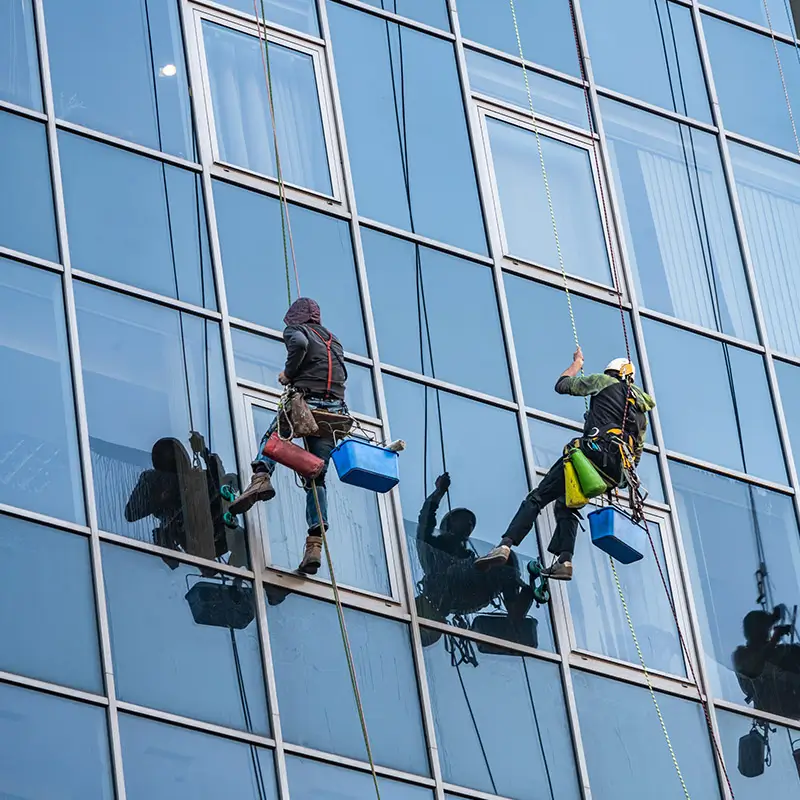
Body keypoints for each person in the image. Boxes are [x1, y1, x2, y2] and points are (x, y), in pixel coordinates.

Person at [475, 347, 655, 581]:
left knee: (538, 497)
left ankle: (505, 546)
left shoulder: (604, 381)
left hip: (594, 454)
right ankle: (565, 560)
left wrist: (577, 364)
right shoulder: (641, 412)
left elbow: (563, 385)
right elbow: (637, 453)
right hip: (617, 472)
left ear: (613, 373)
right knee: (566, 503)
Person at [229, 298, 348, 575]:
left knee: (273, 439)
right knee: (316, 474)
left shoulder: (297, 331)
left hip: (307, 403)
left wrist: (289, 373)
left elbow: (300, 346)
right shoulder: (335, 340)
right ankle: (314, 545)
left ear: (294, 317)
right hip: (334, 412)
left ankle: (260, 479)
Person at [415, 472, 533, 625]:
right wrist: (439, 492)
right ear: (449, 524)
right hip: (444, 587)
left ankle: (514, 606)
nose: (469, 525)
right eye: (464, 520)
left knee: (505, 558)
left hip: (469, 591)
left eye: (471, 523)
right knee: (498, 560)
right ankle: (514, 606)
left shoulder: (470, 557)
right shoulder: (432, 547)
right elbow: (425, 519)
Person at [733, 607, 800, 719]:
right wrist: (775, 637)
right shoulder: (741, 655)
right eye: (763, 629)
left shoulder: (778, 650)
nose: (766, 633)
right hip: (770, 713)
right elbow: (754, 668)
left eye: (767, 629)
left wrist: (773, 619)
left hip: (791, 710)